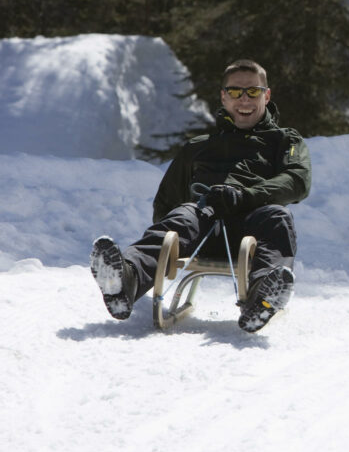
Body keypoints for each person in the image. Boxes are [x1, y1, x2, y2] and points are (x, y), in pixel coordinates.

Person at [89, 59, 312, 332]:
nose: (244, 99)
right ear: (223, 96)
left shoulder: (285, 141)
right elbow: (166, 202)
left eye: (253, 91)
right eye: (234, 92)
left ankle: (264, 297)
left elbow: (297, 181)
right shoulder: (198, 147)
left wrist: (245, 196)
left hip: (254, 227)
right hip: (202, 227)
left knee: (278, 216)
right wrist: (177, 236)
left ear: (266, 95)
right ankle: (126, 280)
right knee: (182, 215)